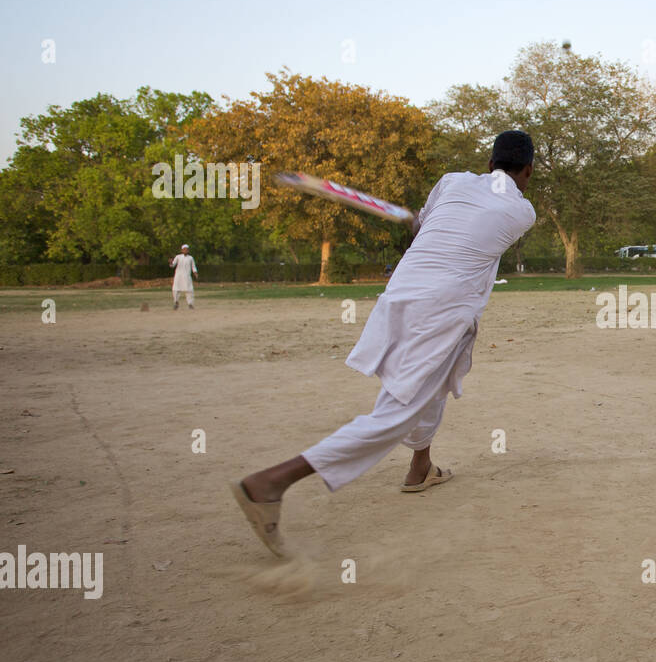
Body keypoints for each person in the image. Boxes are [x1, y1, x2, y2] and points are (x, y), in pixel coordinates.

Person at [231, 131, 538, 556]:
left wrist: (421, 220)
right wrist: (426, 222)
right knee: (395, 413)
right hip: (441, 312)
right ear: (527, 171)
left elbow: (424, 235)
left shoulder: (451, 181)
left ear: (488, 164)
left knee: (432, 386)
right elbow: (472, 232)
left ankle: (421, 468)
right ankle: (270, 483)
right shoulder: (522, 211)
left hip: (401, 296)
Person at [170, 244, 197, 309]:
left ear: (188, 250)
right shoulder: (178, 257)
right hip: (178, 276)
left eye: (187, 249)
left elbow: (193, 266)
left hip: (187, 276)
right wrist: (171, 263)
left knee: (189, 290)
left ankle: (190, 304)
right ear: (182, 250)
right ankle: (176, 302)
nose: (185, 250)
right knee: (176, 289)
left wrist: (195, 273)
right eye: (184, 249)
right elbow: (173, 265)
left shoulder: (190, 258)